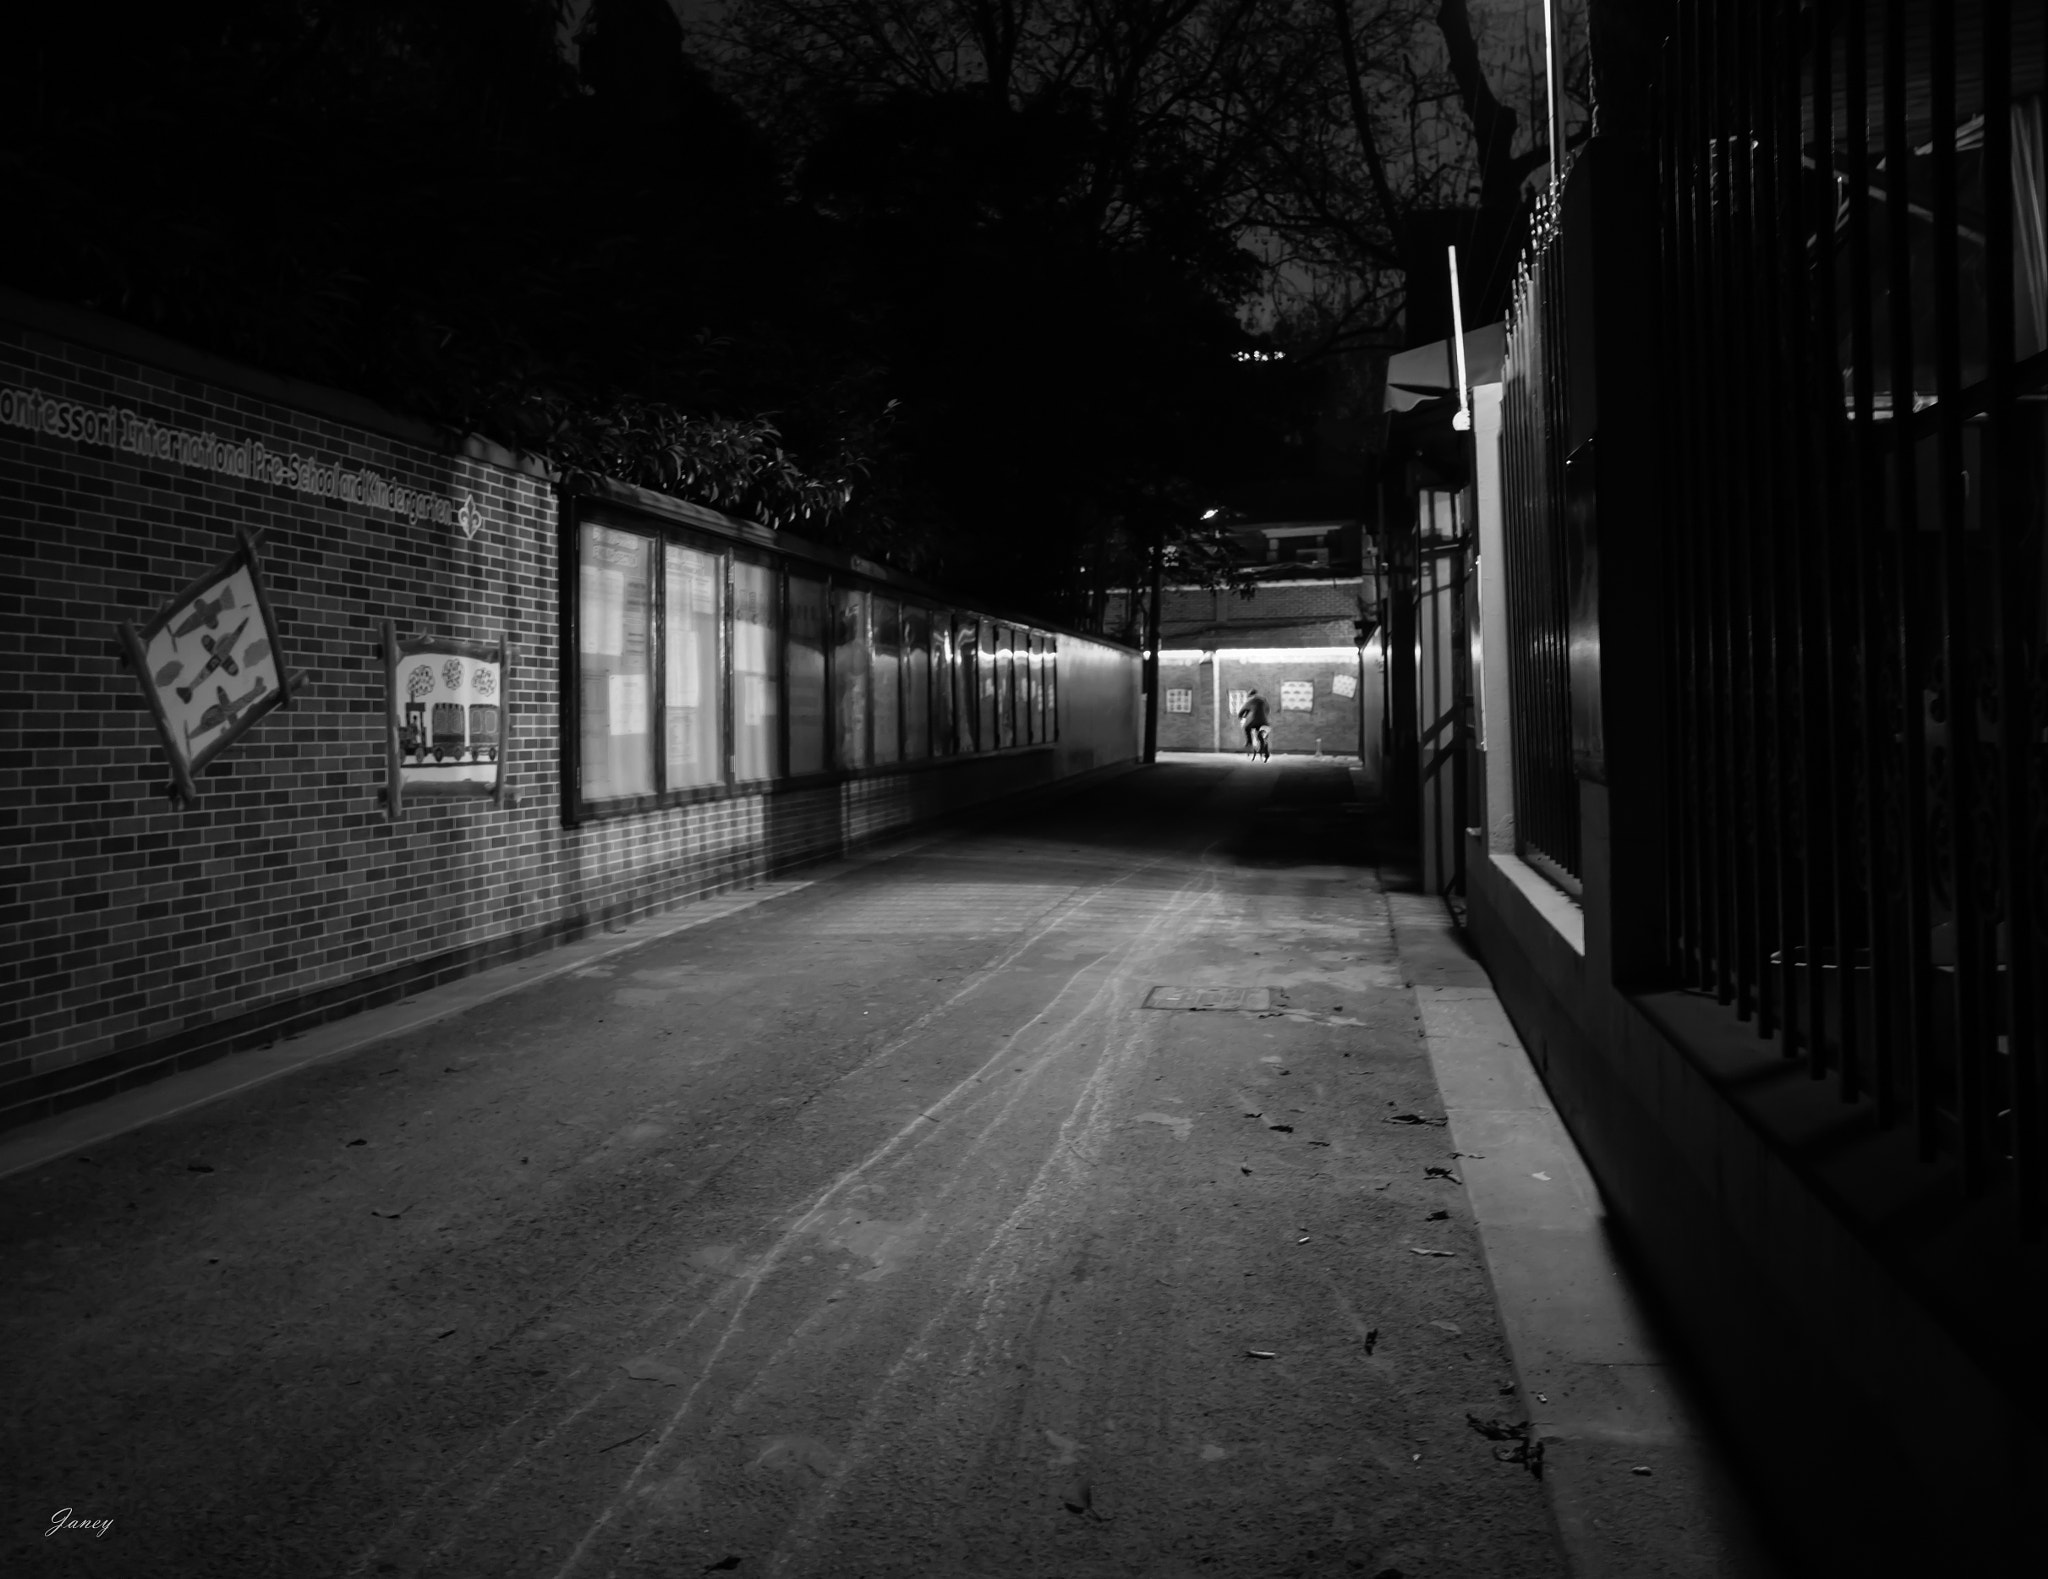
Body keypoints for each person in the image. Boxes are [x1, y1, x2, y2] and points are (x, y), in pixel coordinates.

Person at [1238, 689, 1270, 761]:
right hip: (1264, 722)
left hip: (1254, 722)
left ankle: (1249, 742)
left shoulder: (1250, 701)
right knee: (1262, 737)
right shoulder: (1264, 700)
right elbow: (1268, 710)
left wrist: (1240, 716)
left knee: (1247, 728)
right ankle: (1265, 751)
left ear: (1250, 695)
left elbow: (1242, 711)